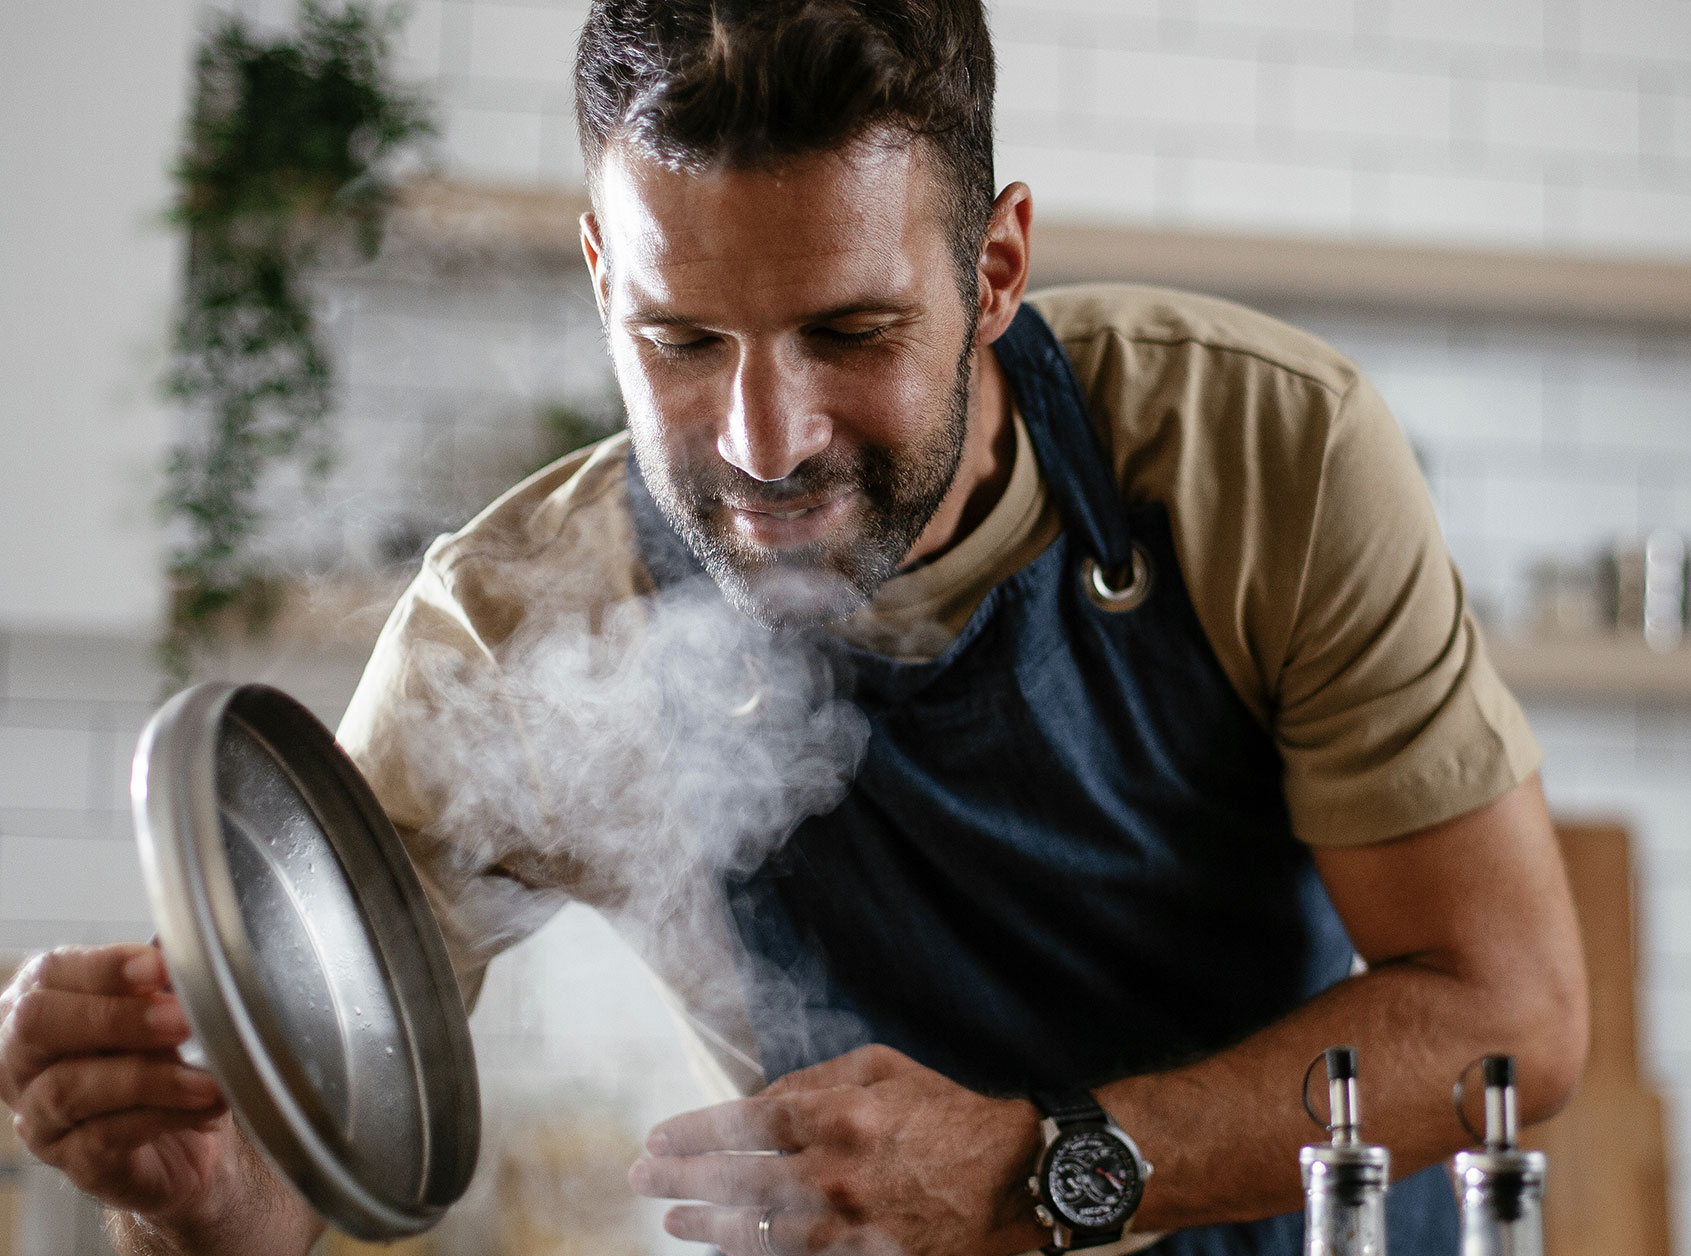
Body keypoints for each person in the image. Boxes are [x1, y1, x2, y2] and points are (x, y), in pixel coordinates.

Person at [0, 2, 1588, 1254]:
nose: (765, 441)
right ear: (599, 274)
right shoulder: (509, 634)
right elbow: (298, 1172)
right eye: (681, 339)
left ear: (997, 266)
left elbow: (1507, 1012)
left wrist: (1038, 1170)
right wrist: (191, 1184)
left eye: (851, 333)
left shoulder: (1264, 450)